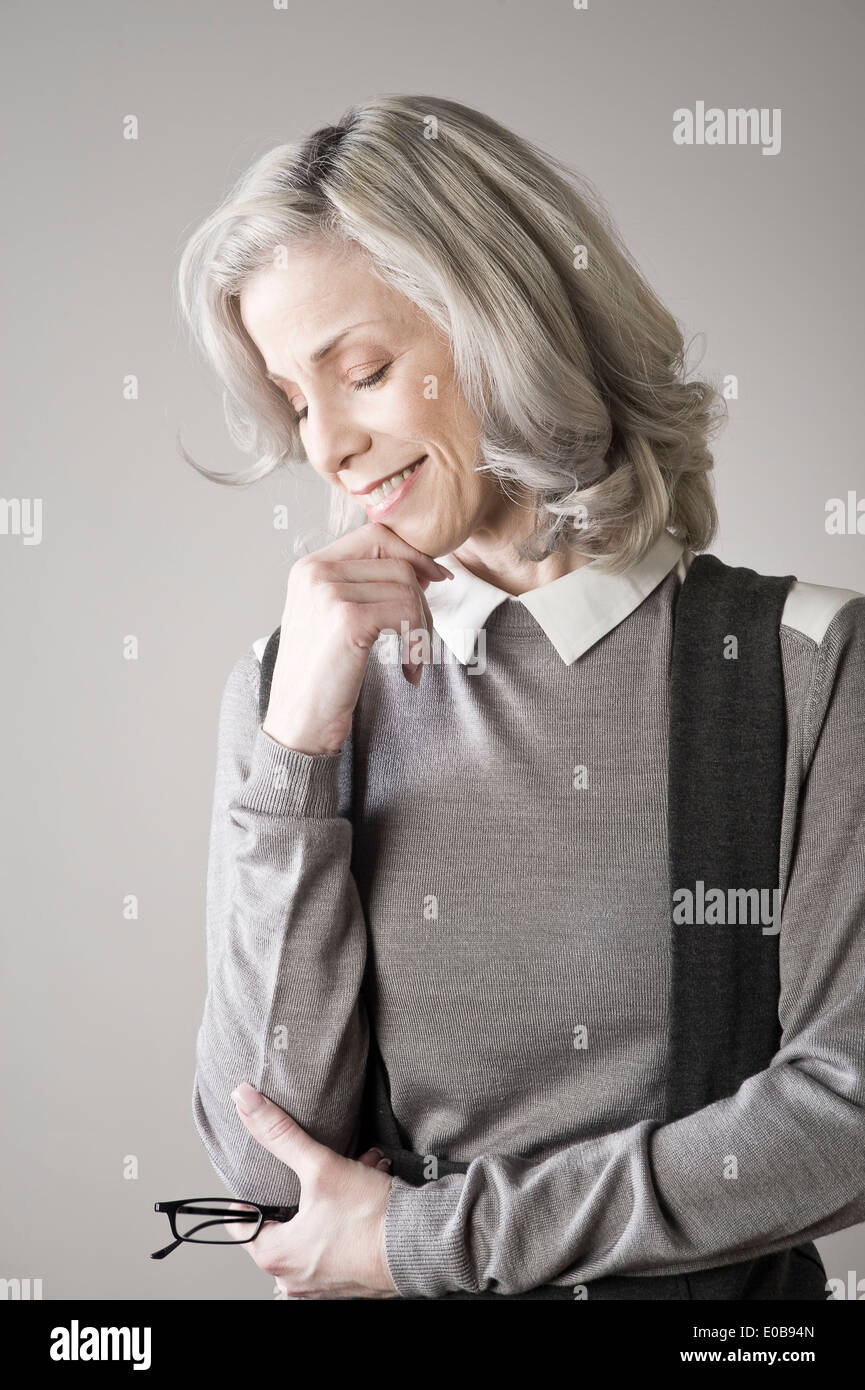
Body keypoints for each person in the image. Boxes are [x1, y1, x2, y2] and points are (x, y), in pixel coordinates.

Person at [176, 94, 865, 1300]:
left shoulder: (805, 663)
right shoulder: (294, 690)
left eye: (367, 371)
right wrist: (296, 753)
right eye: (295, 400)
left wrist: (425, 1238)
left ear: (509, 327)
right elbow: (269, 1180)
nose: (325, 445)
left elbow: (842, 1120)